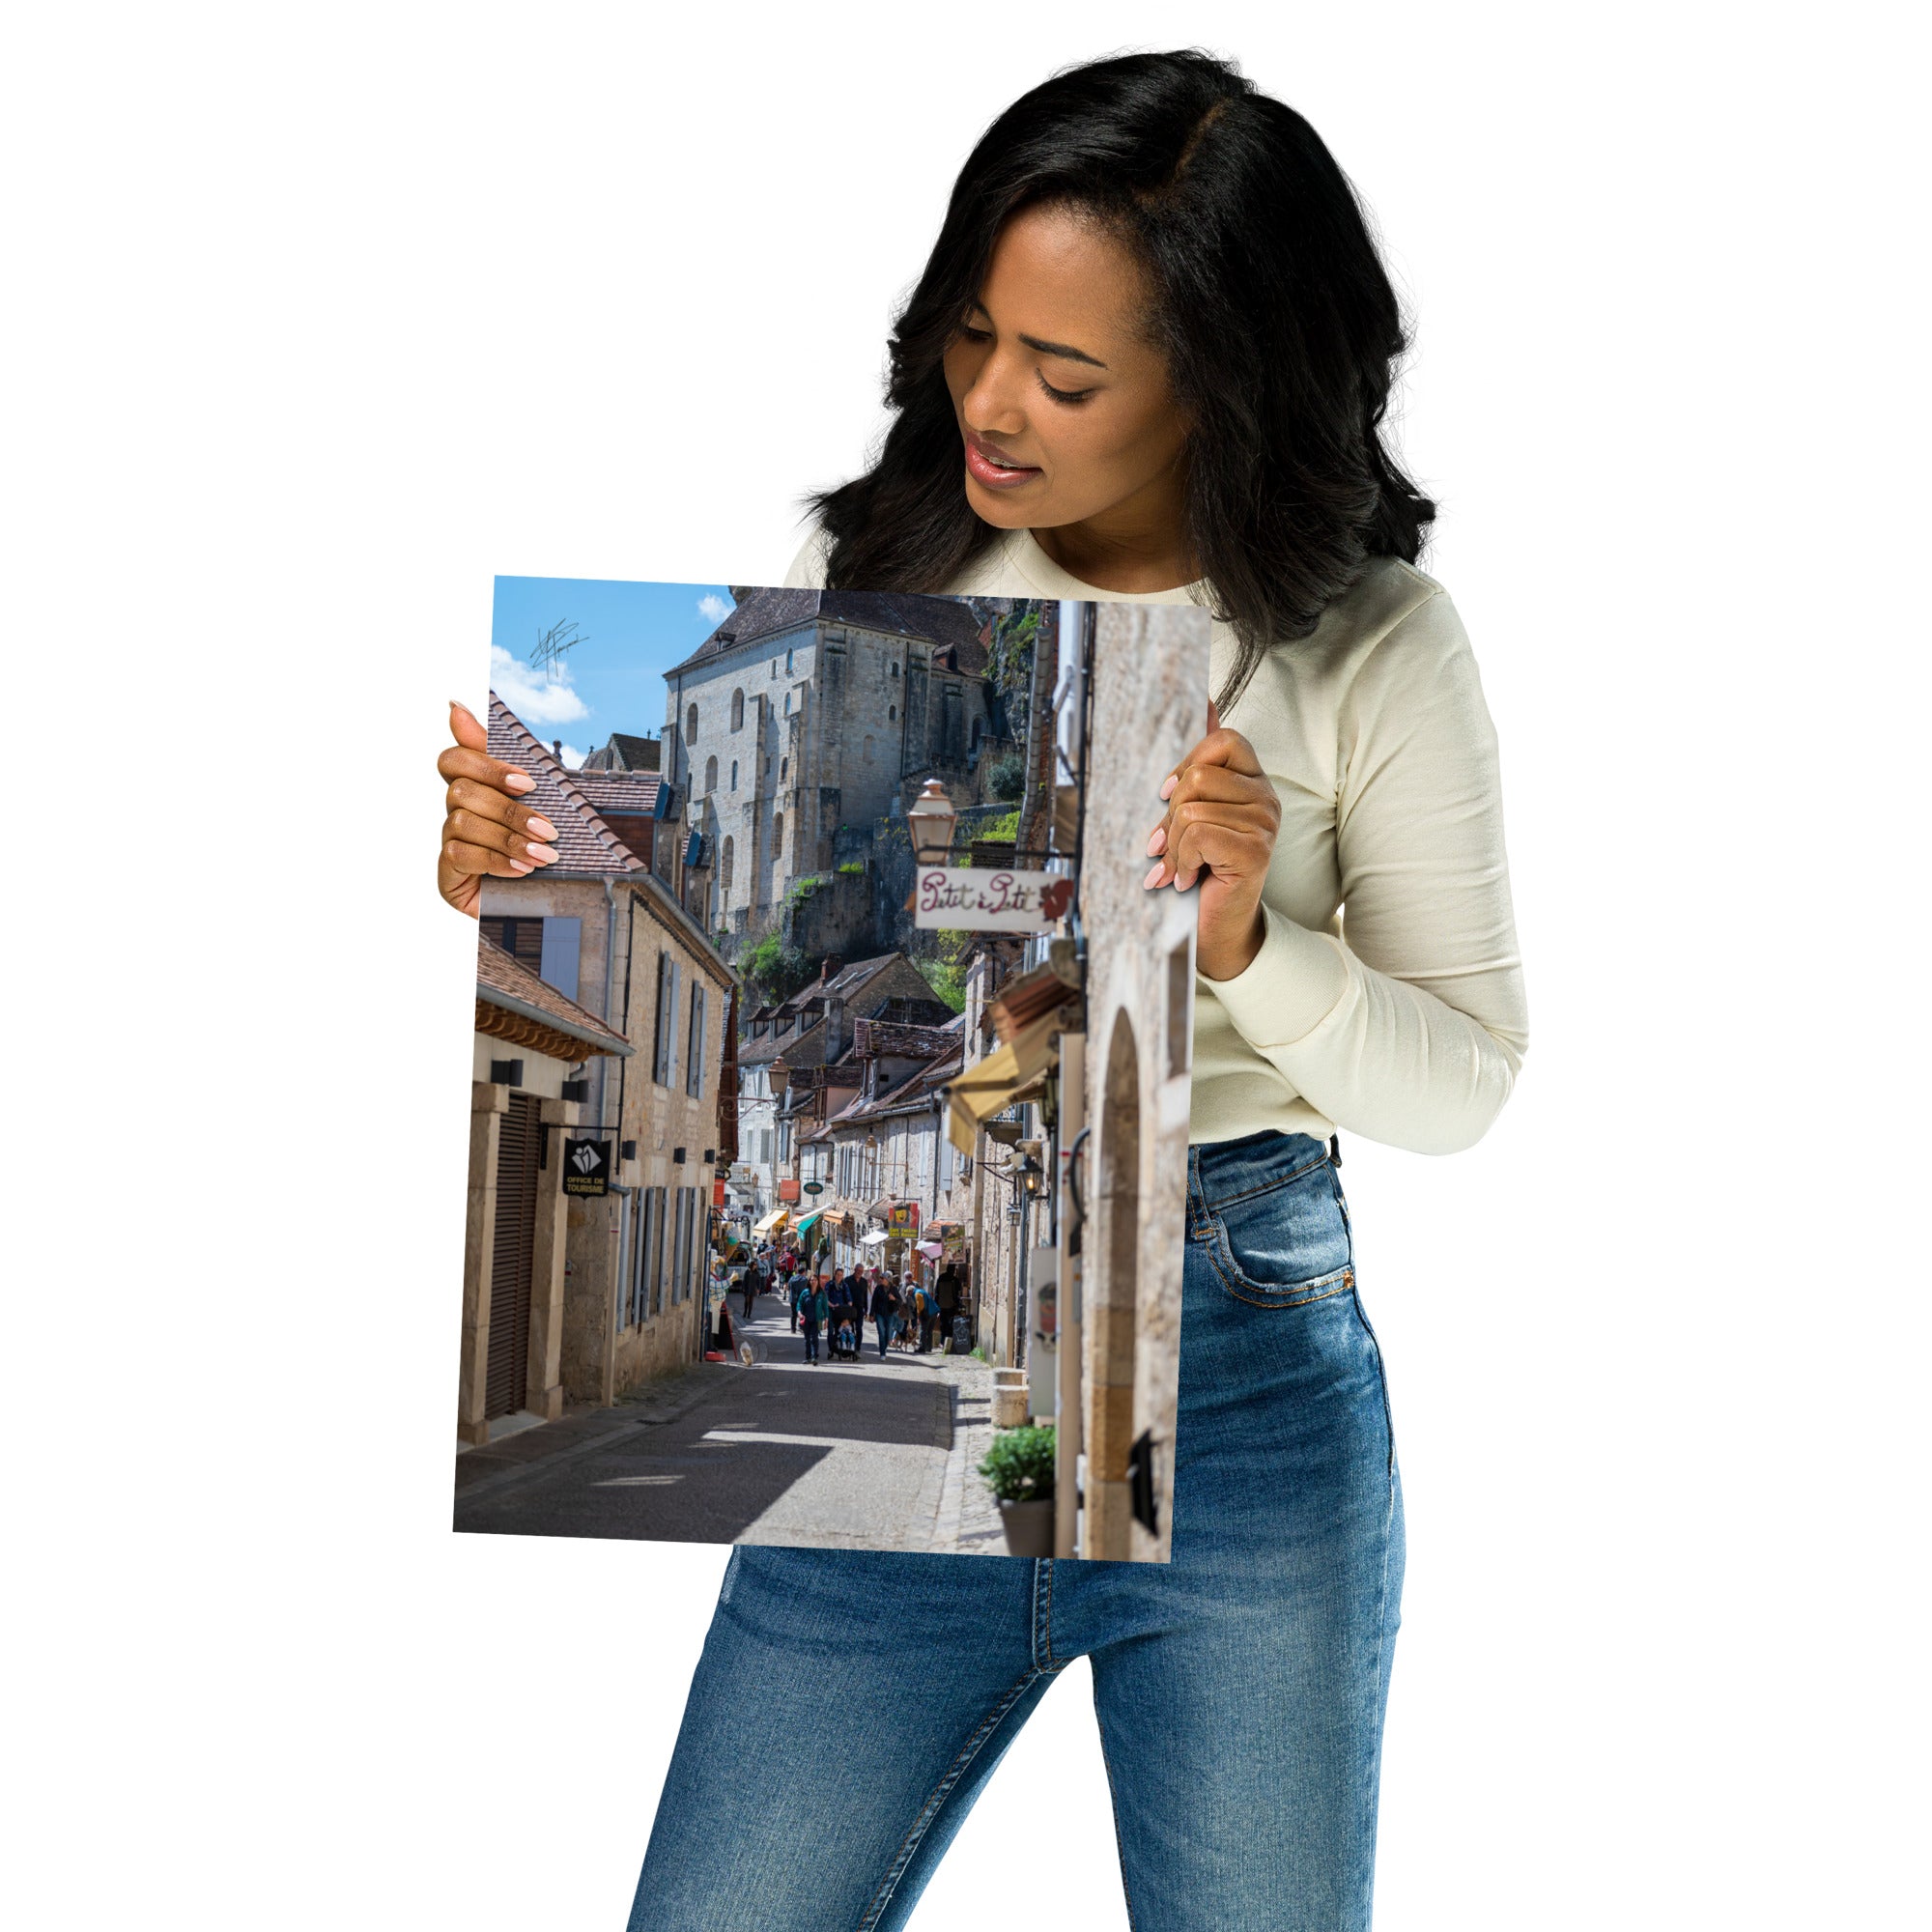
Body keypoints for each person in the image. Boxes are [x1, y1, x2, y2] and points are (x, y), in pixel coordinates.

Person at [436, 49, 1526, 1929]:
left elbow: (1463, 1085)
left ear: (1224, 385)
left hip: (1246, 1380)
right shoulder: (871, 568)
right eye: (970, 337)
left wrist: (1253, 942)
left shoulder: (1369, 641)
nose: (991, 404)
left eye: (1068, 372)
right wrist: (525, 877)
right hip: (920, 1427)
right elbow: (687, 923)